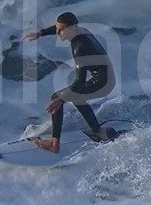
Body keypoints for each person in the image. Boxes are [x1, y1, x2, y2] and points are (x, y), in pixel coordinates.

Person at [20, 12, 117, 152]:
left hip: (104, 83)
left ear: (71, 29)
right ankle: (97, 130)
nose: (58, 32)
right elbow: (60, 27)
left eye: (60, 30)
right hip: (106, 77)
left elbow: (79, 82)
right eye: (57, 29)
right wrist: (40, 33)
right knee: (77, 97)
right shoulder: (78, 31)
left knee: (57, 96)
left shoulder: (80, 47)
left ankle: (54, 143)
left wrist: (61, 99)